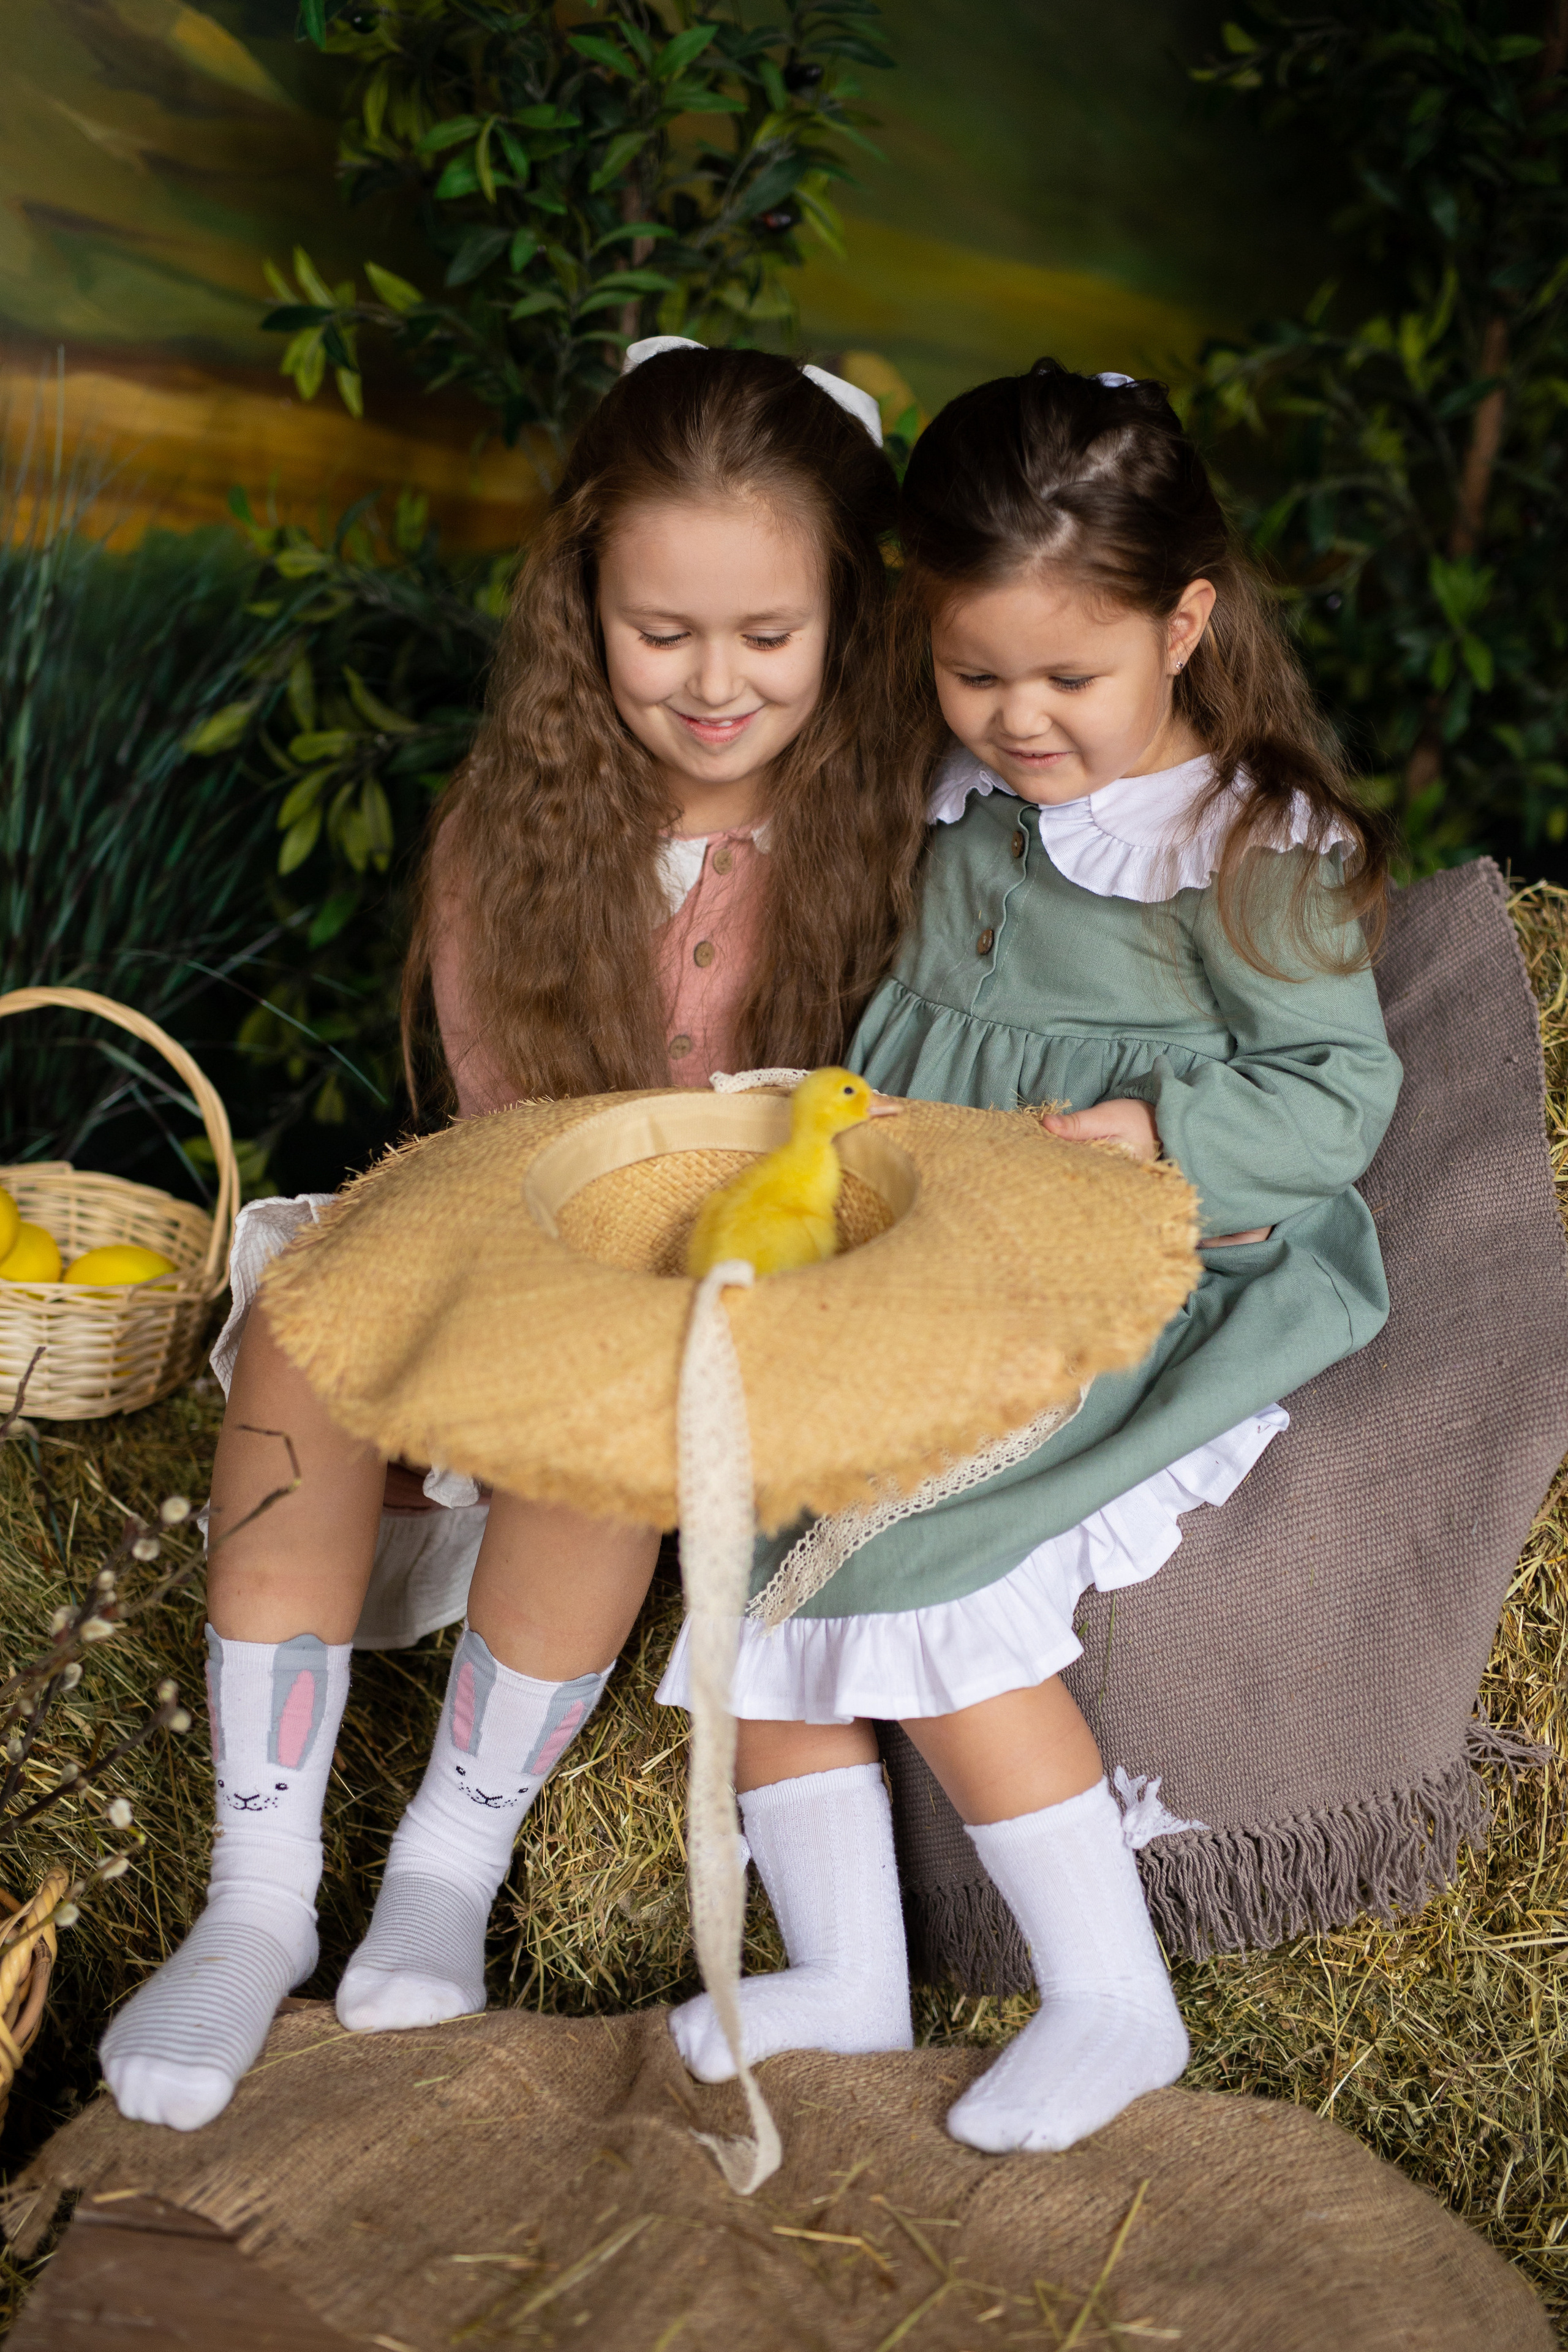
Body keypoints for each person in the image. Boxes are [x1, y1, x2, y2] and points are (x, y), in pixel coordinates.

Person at [100, 341, 927, 2132]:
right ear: (583, 607)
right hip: (539, 1224)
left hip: (754, 1306)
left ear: (852, 619)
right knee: (313, 1319)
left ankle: (449, 1866)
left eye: (767, 636)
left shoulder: (900, 839)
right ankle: (257, 1893)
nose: (715, 684)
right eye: (662, 633)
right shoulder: (519, 833)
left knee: (598, 1398)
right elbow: (512, 1138)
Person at [658, 359, 1403, 2155]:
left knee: (933, 1545)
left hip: (1141, 1264)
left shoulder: (1245, 847)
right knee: (748, 1527)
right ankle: (848, 1971)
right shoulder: (956, 790)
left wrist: (1157, 1129)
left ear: (1186, 625)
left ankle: (1111, 1996)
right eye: (974, 673)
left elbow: (1337, 1093)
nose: (1018, 720)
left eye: (1069, 678)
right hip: (941, 1247)